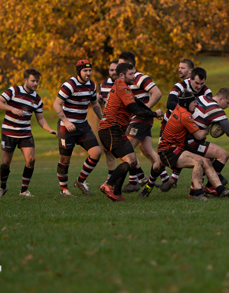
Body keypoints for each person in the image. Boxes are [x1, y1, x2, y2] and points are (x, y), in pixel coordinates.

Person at [138, 95, 229, 200]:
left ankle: (221, 190)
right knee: (198, 161)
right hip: (169, 149)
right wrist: (206, 129)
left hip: (171, 147)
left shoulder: (179, 108)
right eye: (194, 103)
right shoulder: (185, 115)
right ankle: (198, 194)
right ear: (186, 104)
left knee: (159, 166)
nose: (196, 104)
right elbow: (199, 135)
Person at [99, 62, 163, 201]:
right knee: (131, 161)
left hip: (111, 130)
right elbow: (135, 109)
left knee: (129, 161)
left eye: (134, 73)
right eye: (131, 74)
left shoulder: (120, 86)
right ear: (121, 75)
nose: (134, 76)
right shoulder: (123, 88)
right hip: (111, 130)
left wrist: (152, 112)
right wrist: (154, 113)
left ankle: (117, 193)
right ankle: (108, 184)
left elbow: (137, 102)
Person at [0, 69, 57, 198]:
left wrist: (49, 129)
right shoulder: (13, 91)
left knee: (31, 159)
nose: (35, 84)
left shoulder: (37, 99)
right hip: (8, 133)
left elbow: (40, 118)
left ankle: (23, 191)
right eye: (33, 81)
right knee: (5, 163)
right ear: (25, 80)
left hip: (25, 134)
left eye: (37, 81)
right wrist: (11, 108)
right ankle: (2, 187)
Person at [117, 51, 170, 193]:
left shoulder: (140, 77)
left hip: (140, 120)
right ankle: (166, 179)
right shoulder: (123, 81)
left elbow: (157, 93)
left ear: (129, 64)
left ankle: (135, 180)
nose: (118, 66)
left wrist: (144, 109)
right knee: (147, 151)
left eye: (120, 63)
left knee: (124, 150)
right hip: (139, 119)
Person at [53, 60, 104, 197]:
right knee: (65, 159)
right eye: (85, 71)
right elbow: (56, 104)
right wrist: (66, 121)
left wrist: (103, 117)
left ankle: (80, 181)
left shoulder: (92, 85)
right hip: (66, 127)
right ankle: (64, 190)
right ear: (79, 72)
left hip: (83, 126)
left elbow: (94, 104)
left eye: (89, 70)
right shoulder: (69, 85)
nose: (88, 73)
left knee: (96, 152)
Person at [160, 67, 213, 191]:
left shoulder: (207, 91)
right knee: (159, 162)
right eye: (196, 83)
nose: (199, 86)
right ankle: (150, 185)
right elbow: (169, 103)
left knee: (197, 156)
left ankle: (192, 188)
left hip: (192, 126)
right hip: (173, 125)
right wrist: (186, 114)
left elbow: (209, 109)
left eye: (202, 83)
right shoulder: (179, 86)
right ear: (190, 79)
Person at [184, 87, 229, 197]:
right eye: (227, 103)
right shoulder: (216, 110)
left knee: (208, 160)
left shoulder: (202, 98)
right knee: (223, 155)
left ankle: (193, 191)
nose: (228, 106)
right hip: (192, 141)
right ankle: (211, 186)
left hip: (185, 137)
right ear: (220, 99)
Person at [98, 58, 118, 182]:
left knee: (124, 151)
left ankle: (135, 178)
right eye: (111, 70)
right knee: (108, 151)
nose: (113, 72)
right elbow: (99, 99)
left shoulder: (126, 83)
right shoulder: (104, 84)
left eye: (116, 70)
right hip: (107, 122)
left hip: (121, 122)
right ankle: (111, 177)